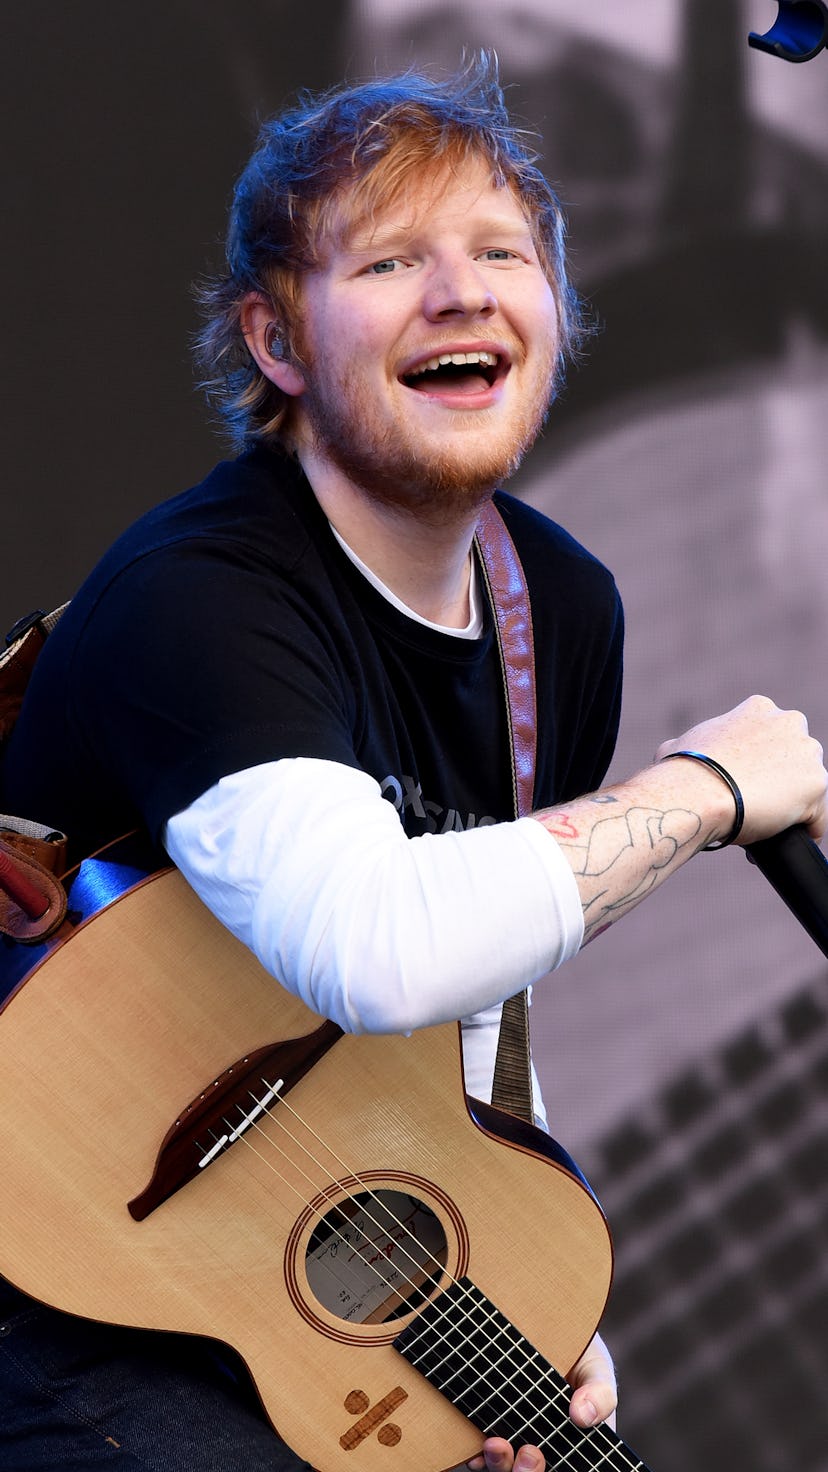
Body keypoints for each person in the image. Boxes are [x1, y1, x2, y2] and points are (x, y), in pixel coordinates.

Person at [0, 55, 825, 1472]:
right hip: (57, 1288)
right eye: (389, 260)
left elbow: (471, 1000)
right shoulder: (205, 593)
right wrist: (698, 795)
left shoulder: (556, 607)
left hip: (250, 1259)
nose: (463, 293)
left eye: (504, 252)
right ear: (273, 342)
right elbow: (376, 951)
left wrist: (518, 1302)